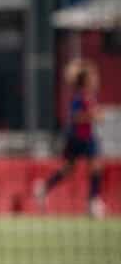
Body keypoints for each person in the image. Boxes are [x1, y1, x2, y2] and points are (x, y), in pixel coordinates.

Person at [35, 62, 105, 219]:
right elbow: (75, 117)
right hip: (76, 138)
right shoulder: (78, 97)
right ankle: (44, 188)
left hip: (88, 138)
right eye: (93, 78)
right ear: (86, 81)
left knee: (95, 167)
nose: (96, 80)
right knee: (69, 169)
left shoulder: (90, 97)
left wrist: (97, 116)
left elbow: (96, 116)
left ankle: (93, 202)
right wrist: (91, 116)